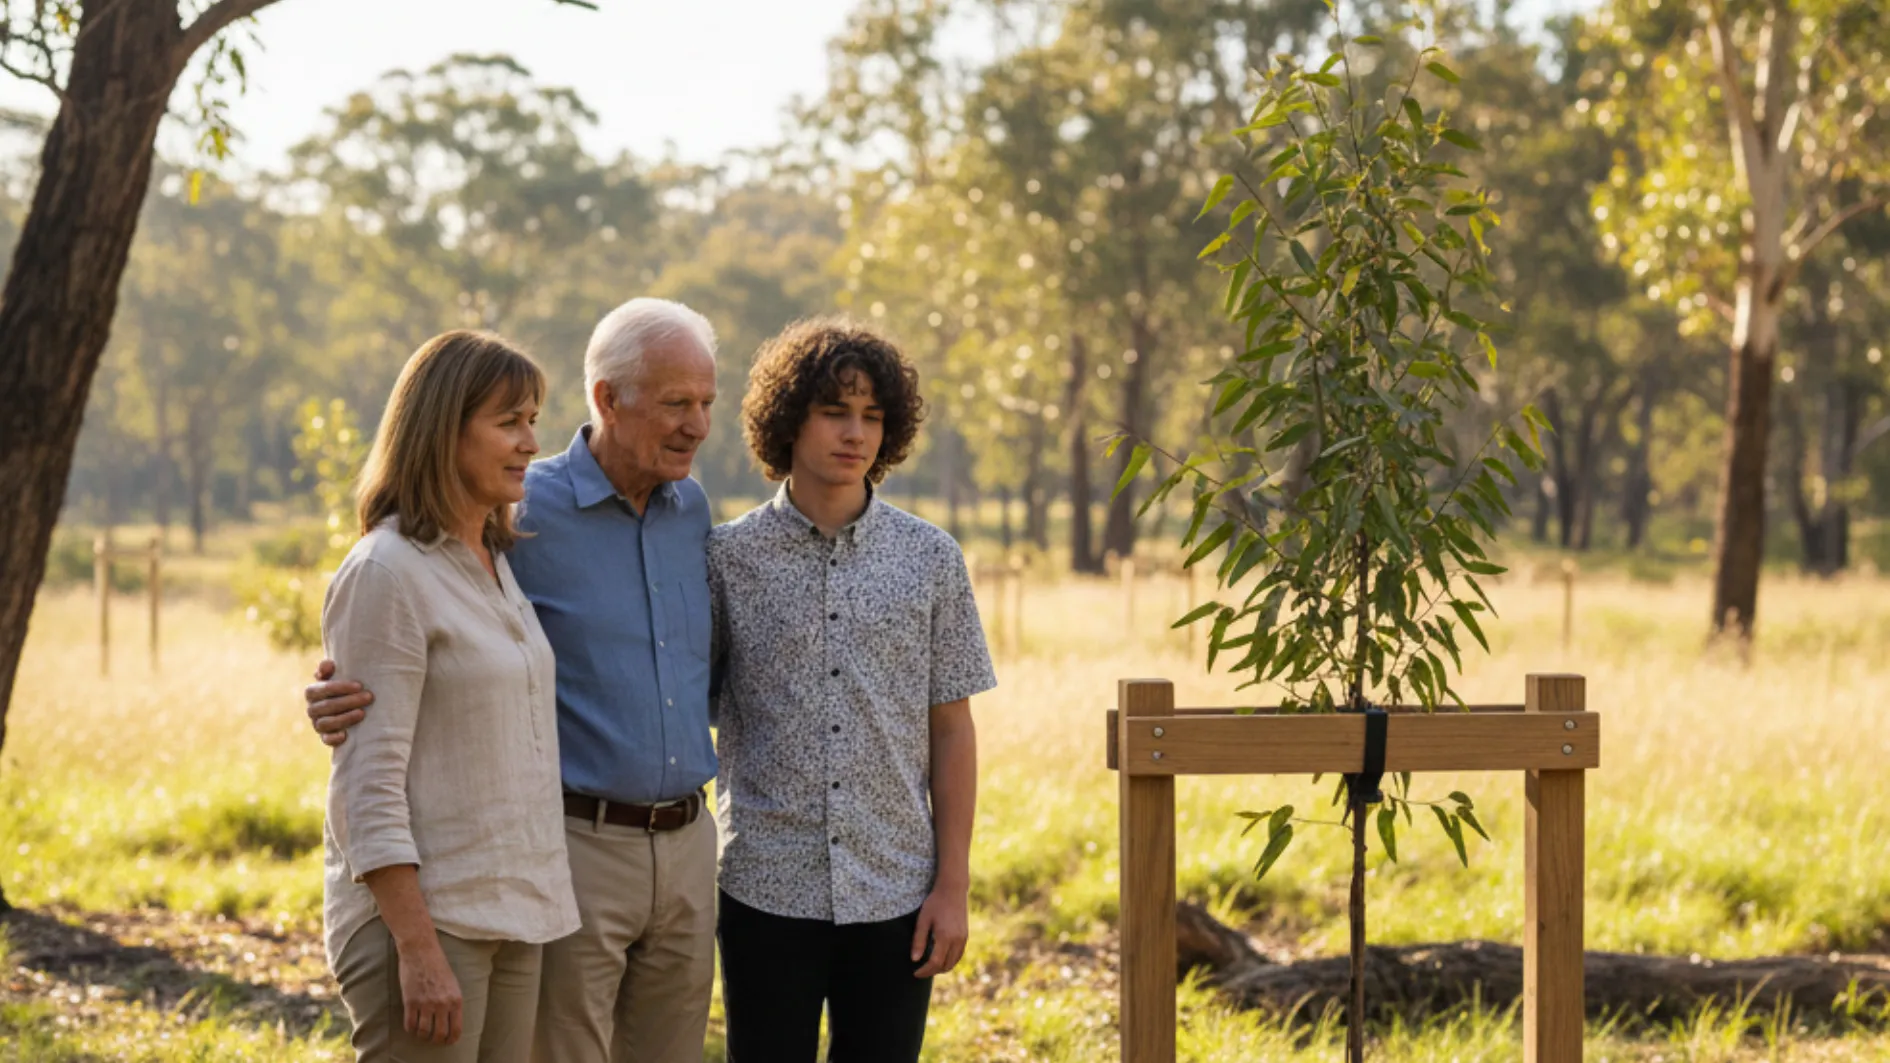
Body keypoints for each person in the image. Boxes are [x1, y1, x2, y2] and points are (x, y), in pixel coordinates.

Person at [306, 298, 723, 1063]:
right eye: (675, 403)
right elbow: (371, 755)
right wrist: (334, 692)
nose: (697, 424)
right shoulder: (481, 529)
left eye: (706, 402)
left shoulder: (509, 547)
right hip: (525, 869)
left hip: (552, 888)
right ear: (608, 399)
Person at [709, 319, 995, 1063]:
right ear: (788, 419)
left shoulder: (932, 558)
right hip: (764, 886)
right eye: (836, 411)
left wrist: (952, 884)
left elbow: (952, 729)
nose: (855, 432)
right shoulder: (728, 559)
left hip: (897, 889)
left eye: (872, 416)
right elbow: (687, 709)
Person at [321, 329, 577, 1061]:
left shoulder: (495, 560)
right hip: (430, 925)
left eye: (533, 419)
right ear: (442, 430)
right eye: (509, 421)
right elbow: (365, 785)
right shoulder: (387, 571)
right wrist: (419, 948)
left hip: (514, 911)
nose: (531, 441)